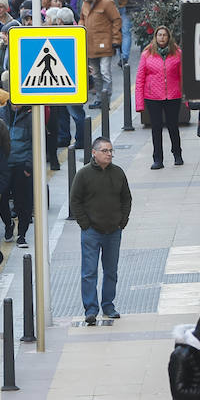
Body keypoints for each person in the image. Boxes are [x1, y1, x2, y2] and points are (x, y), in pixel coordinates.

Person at [70, 137, 132, 325]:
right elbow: (75, 200)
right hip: (92, 232)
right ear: (94, 153)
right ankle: (91, 309)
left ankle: (108, 305)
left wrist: (122, 221)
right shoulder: (83, 175)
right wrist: (85, 224)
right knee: (89, 272)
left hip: (113, 231)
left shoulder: (118, 173)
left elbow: (126, 198)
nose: (109, 154)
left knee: (111, 271)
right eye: (105, 151)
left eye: (111, 151)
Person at [134, 25, 184, 169]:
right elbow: (140, 79)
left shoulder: (177, 53)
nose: (162, 37)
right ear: (155, 37)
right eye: (159, 35)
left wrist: (187, 99)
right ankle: (158, 159)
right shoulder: (147, 54)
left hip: (173, 96)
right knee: (156, 128)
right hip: (153, 97)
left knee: (173, 126)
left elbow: (183, 76)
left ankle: (177, 154)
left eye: (164, 35)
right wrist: (139, 104)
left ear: (169, 37)